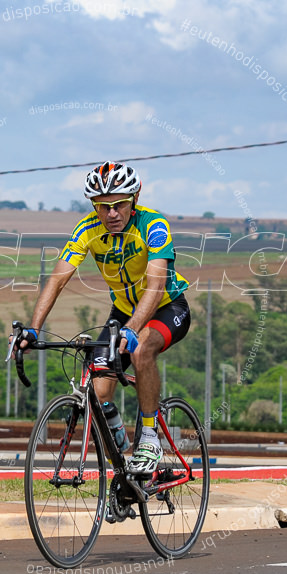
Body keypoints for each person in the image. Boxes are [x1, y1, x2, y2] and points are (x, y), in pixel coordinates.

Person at [16, 162, 191, 474]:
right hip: (123, 312)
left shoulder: (153, 226)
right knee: (97, 390)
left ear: (134, 198)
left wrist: (134, 329)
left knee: (139, 350)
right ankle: (122, 457)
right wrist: (33, 328)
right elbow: (57, 280)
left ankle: (149, 437)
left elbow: (155, 286)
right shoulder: (87, 230)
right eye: (102, 207)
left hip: (167, 307)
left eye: (119, 205)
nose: (112, 214)